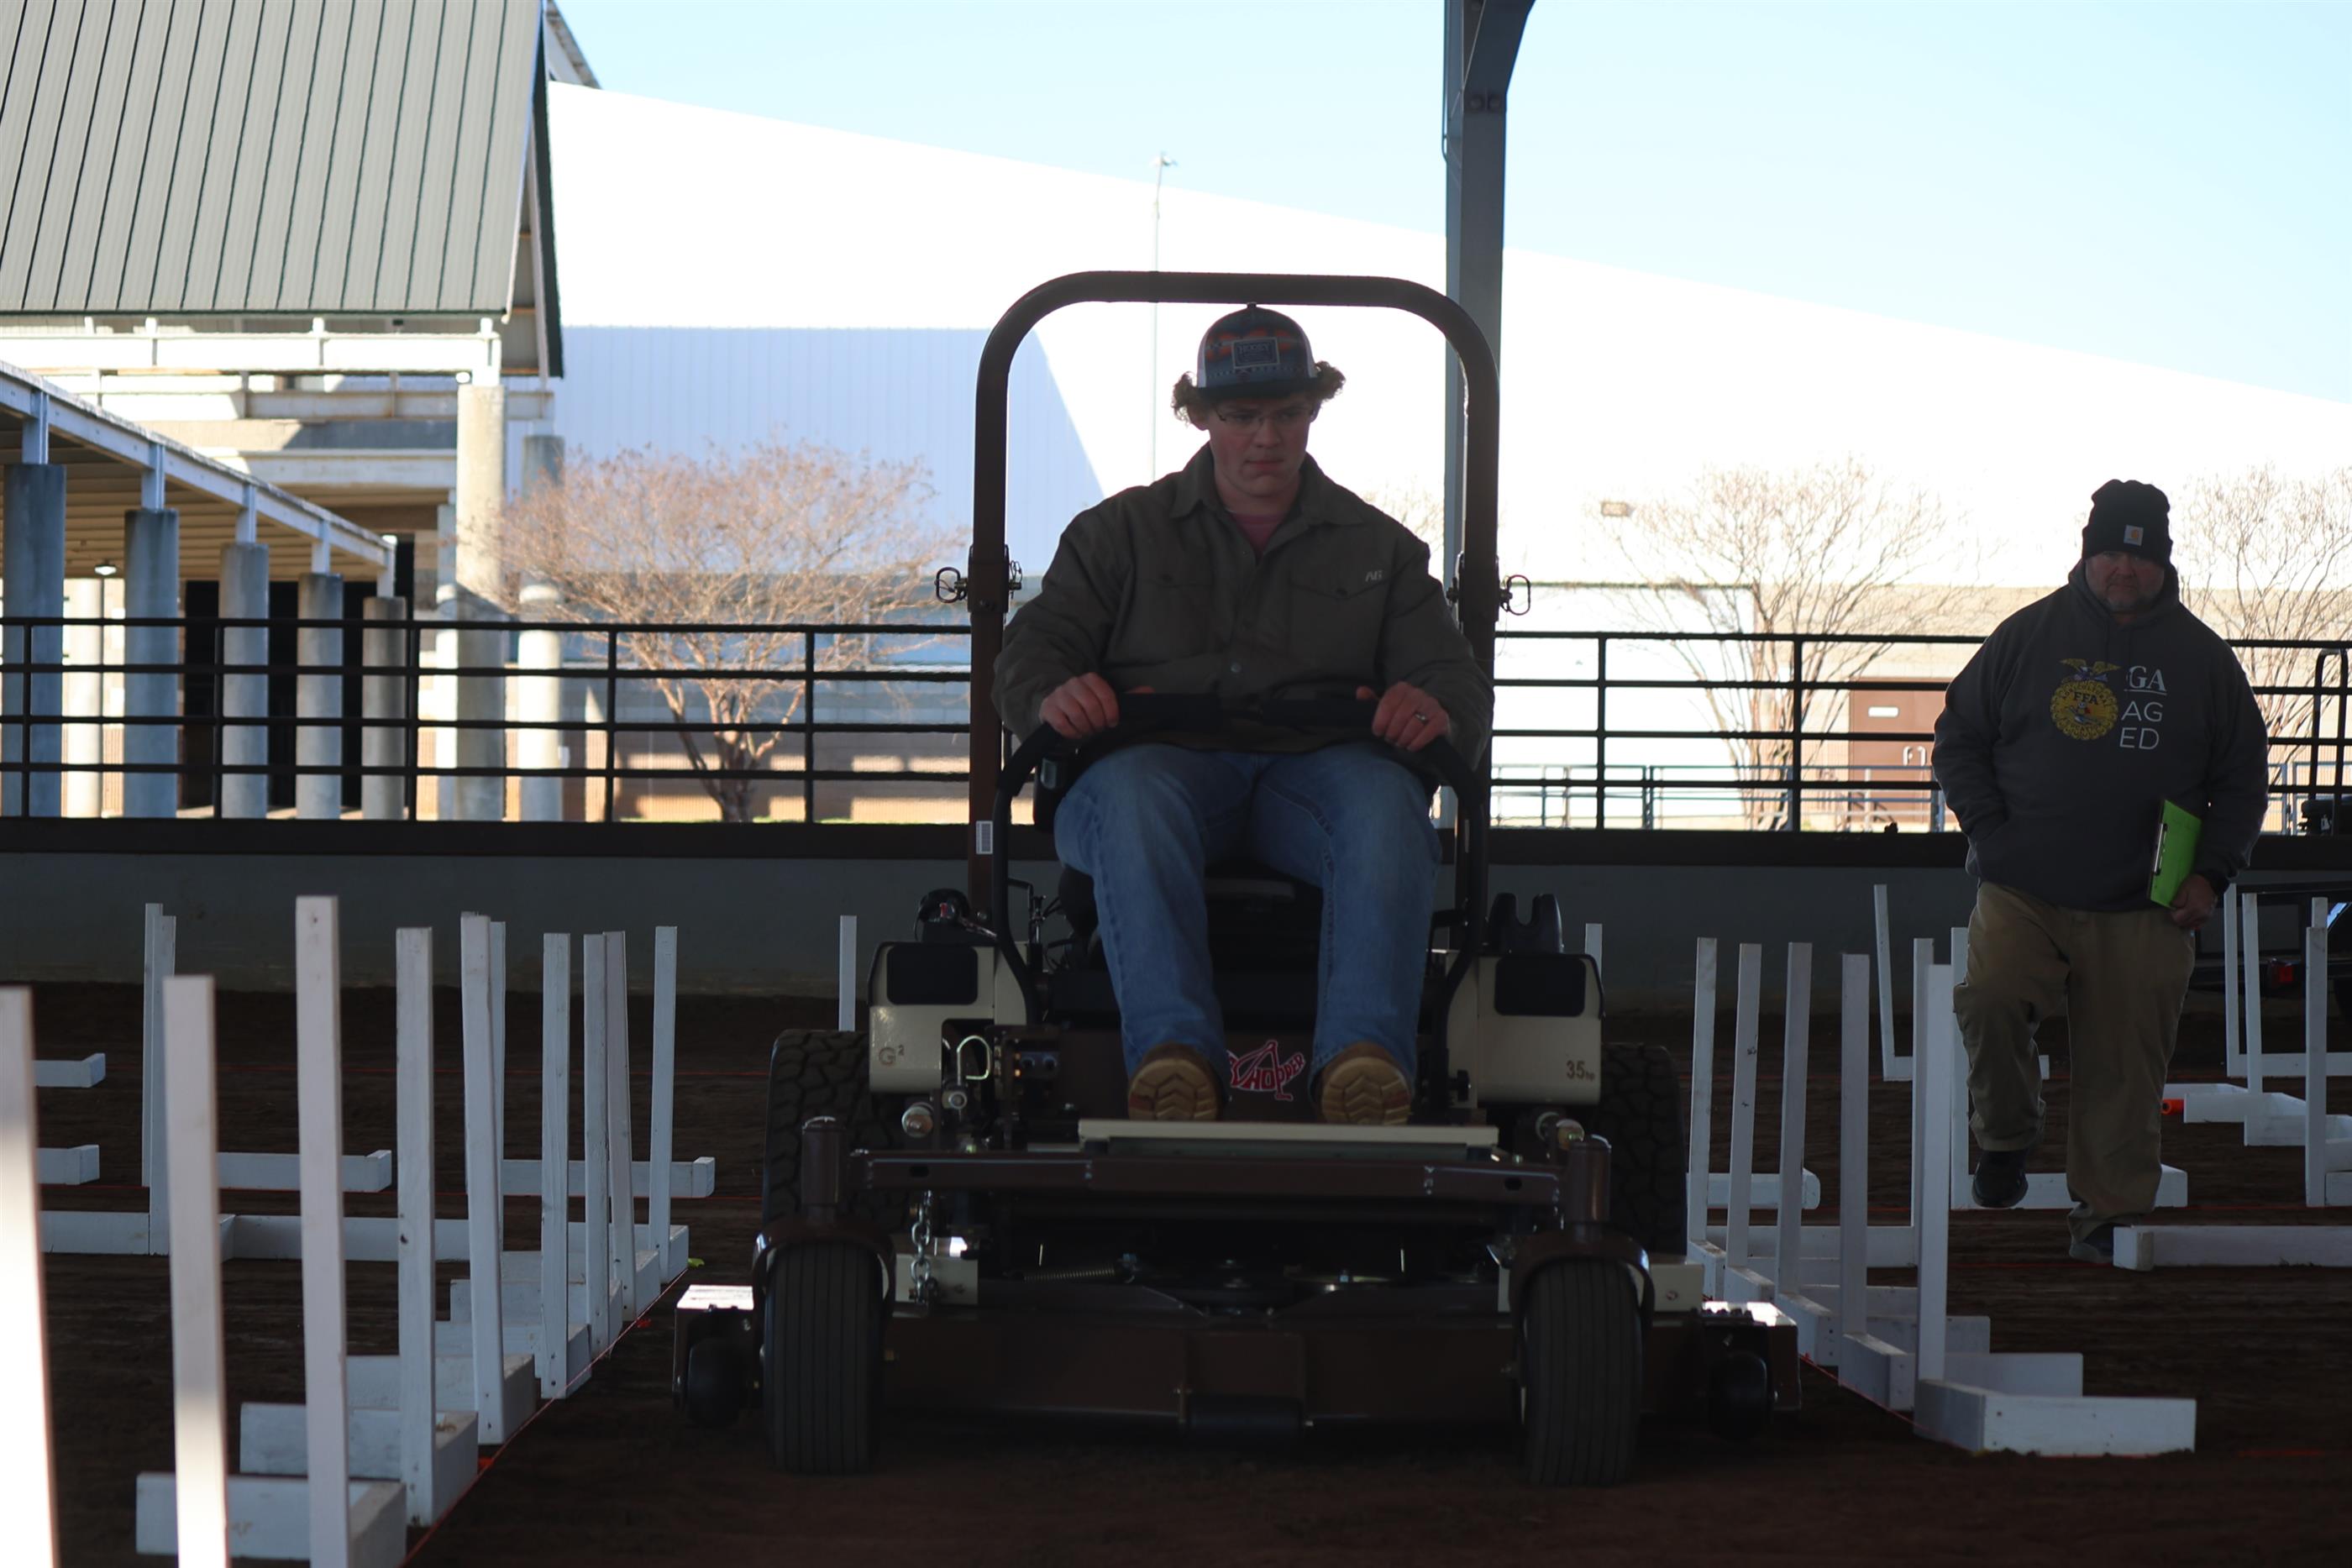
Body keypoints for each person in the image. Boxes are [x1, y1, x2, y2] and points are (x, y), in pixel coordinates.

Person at [994, 307, 1492, 1125]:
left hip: (1319, 781)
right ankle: (1172, 1057)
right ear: (1200, 416)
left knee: (1386, 805)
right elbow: (1032, 649)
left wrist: (1434, 709)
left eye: (1288, 413)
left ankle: (1364, 1062)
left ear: (1314, 410)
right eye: (1241, 415)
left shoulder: (1381, 551)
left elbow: (1453, 679)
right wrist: (1052, 694)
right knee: (1133, 797)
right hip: (1159, 770)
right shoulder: (1118, 535)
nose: (1267, 437)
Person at [1933, 479, 2267, 1262]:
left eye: (2142, 556)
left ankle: (2107, 1218)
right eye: (2112, 551)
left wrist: (2210, 874)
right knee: (1989, 998)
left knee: (2125, 1065)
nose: (2126, 567)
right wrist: (1990, 833)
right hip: (2024, 885)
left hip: (2147, 901)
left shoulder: (2204, 660)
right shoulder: (2026, 636)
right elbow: (1958, 738)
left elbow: (2242, 779)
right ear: (2087, 555)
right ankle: (2006, 1135)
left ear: (2164, 565)